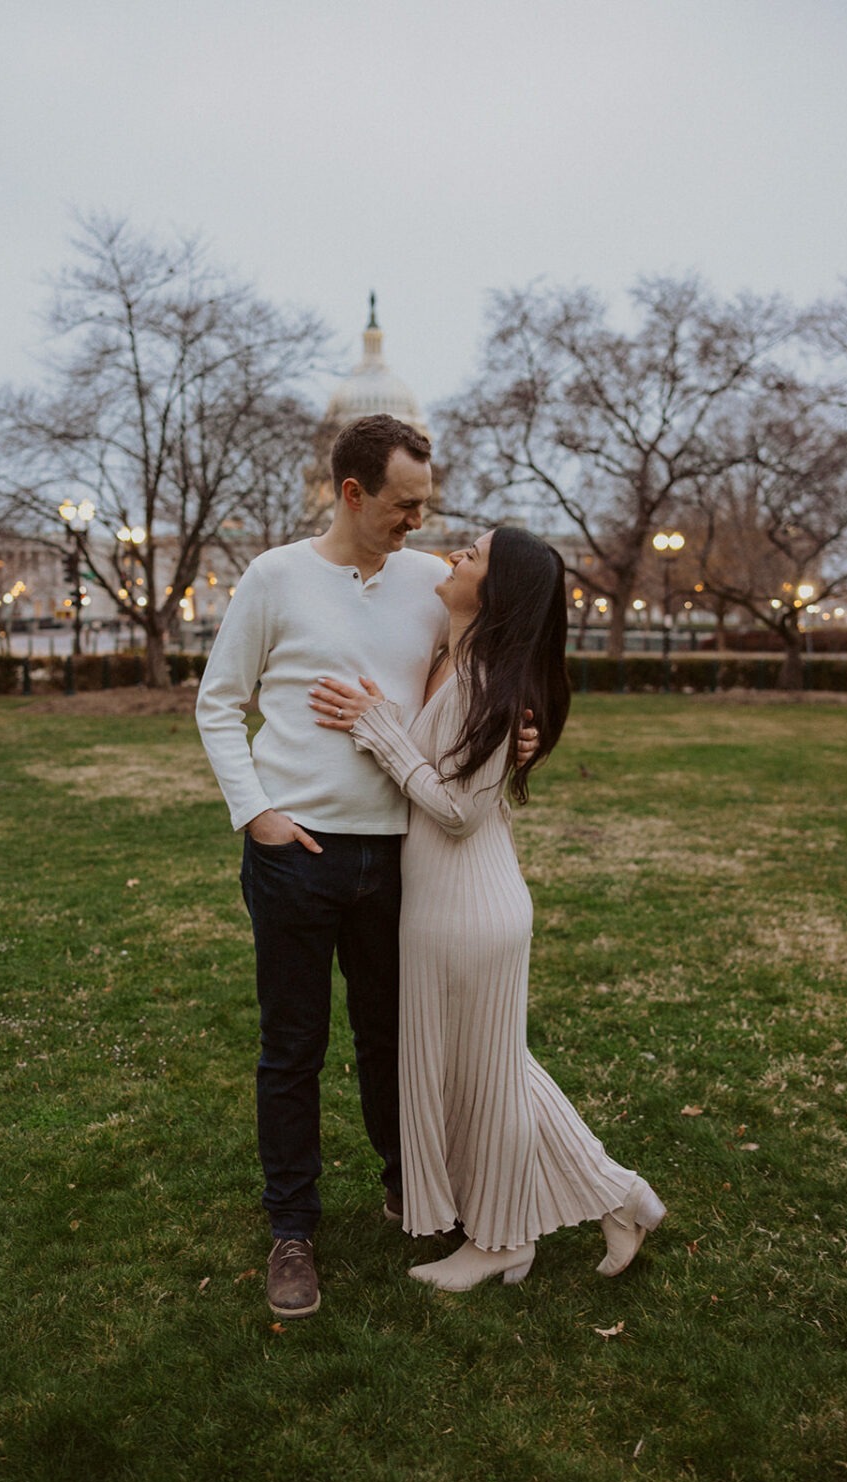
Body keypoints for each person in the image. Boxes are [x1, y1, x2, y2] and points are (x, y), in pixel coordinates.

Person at [195, 415, 538, 1319]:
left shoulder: (435, 584)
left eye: (426, 504)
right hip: (293, 853)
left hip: (399, 860)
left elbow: (488, 664)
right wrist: (258, 813)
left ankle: (409, 1189)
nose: (420, 522)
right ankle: (293, 1230)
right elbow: (219, 705)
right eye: (404, 504)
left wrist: (521, 729)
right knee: (292, 1048)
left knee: (397, 1044)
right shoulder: (274, 578)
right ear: (352, 493)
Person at [308, 526, 666, 1291]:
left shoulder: (488, 683)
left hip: (470, 908)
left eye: (471, 557)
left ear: (495, 591)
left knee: (485, 1079)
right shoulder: (453, 657)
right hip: (444, 901)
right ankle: (620, 1194)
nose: (453, 559)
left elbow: (459, 812)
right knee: (493, 1072)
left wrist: (379, 733)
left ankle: (503, 1242)